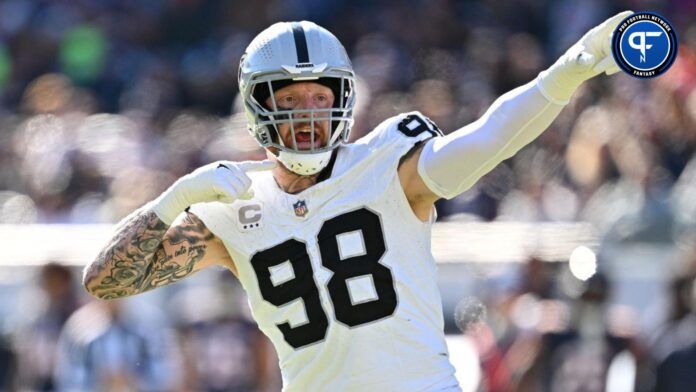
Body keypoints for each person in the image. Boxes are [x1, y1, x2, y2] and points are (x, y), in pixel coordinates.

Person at [83, 13, 632, 391]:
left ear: (343, 100)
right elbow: (104, 281)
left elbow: (487, 140)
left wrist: (570, 71)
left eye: (320, 97)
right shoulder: (233, 204)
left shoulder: (387, 165)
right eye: (290, 98)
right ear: (257, 107)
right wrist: (176, 197)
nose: (307, 113)